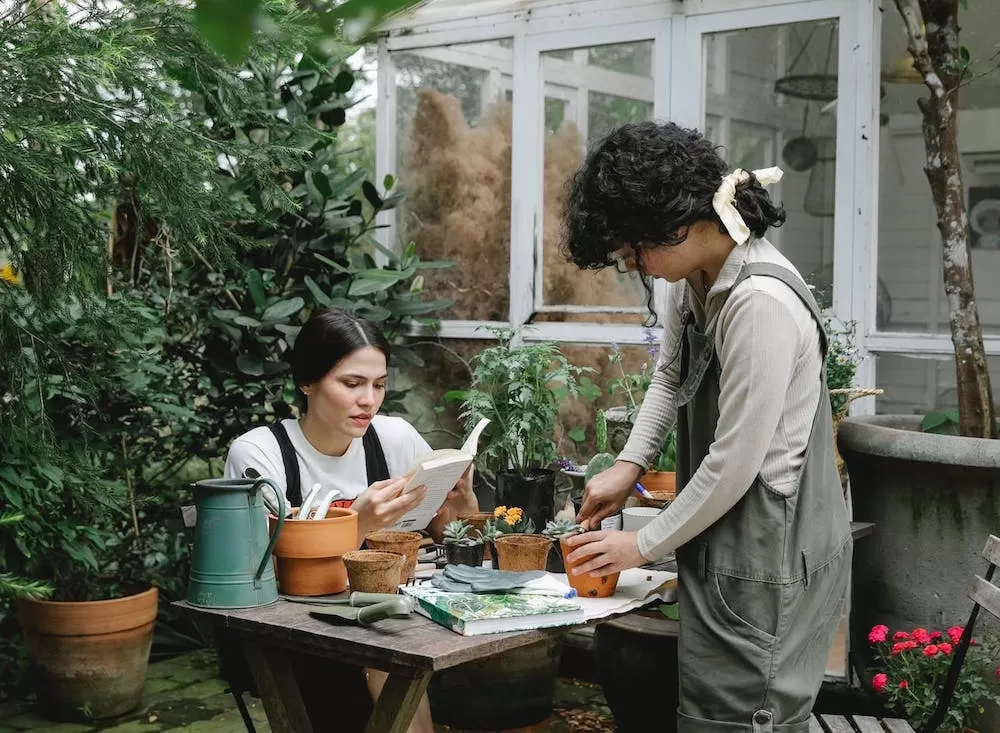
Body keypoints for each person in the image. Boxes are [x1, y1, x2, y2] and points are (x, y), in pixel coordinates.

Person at [559, 121, 852, 733]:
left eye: (635, 249)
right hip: (728, 539)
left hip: (769, 550)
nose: (633, 262)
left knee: (746, 716)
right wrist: (628, 466)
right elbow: (670, 379)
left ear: (685, 223)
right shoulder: (691, 278)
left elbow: (735, 463)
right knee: (711, 713)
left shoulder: (759, 304)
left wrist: (638, 545)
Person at [224, 307, 478, 733]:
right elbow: (264, 567)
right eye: (352, 383)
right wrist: (356, 523)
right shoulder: (261, 453)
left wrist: (463, 500)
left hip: (390, 616)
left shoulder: (393, 437)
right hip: (292, 631)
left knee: (403, 644)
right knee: (391, 655)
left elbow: (450, 534)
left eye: (379, 385)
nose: (369, 400)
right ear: (307, 382)